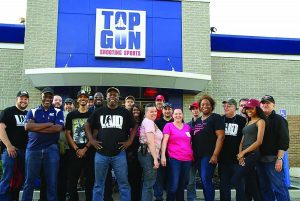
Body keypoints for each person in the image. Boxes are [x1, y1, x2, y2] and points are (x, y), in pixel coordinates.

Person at [85, 87, 137, 201]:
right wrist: (91, 140)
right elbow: (87, 125)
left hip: (119, 154)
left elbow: (135, 126)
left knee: (124, 184)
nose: (112, 96)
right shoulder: (99, 111)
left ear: (118, 98)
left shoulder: (124, 112)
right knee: (98, 184)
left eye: (115, 95)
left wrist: (130, 141)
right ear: (106, 97)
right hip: (101, 154)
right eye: (110, 94)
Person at [21, 87, 64, 201]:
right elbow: (27, 127)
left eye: (50, 97)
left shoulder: (58, 112)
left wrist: (36, 127)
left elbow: (58, 128)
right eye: (46, 96)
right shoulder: (33, 111)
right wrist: (49, 124)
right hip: (33, 149)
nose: (48, 99)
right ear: (41, 96)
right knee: (29, 181)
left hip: (51, 149)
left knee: (52, 181)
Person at [231, 98, 266, 201]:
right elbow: (242, 141)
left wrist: (243, 153)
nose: (249, 110)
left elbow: (259, 141)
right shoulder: (248, 122)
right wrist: (240, 154)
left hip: (253, 154)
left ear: (257, 109)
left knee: (235, 178)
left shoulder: (261, 121)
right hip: (244, 154)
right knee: (251, 182)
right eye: (247, 109)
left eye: (251, 108)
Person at [256, 95, 290, 201]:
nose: (265, 105)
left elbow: (284, 142)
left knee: (279, 187)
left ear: (273, 105)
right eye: (263, 103)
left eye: (268, 103)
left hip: (273, 160)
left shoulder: (280, 120)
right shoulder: (257, 119)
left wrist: (279, 159)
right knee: (265, 187)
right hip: (259, 160)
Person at [191, 95, 224, 201]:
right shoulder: (198, 120)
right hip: (197, 155)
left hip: (209, 155)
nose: (205, 106)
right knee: (203, 180)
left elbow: (221, 136)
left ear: (212, 106)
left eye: (207, 104)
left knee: (206, 179)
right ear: (200, 107)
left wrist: (215, 155)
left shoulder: (216, 118)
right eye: (202, 104)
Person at [0, 90, 29, 201]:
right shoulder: (8, 111)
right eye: (21, 98)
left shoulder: (28, 114)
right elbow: (1, 129)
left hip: (25, 152)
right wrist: (9, 146)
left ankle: (14, 198)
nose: (23, 100)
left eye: (26, 99)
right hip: (9, 151)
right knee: (7, 178)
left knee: (20, 179)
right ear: (17, 99)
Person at [65, 90, 94, 201]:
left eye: (85, 97)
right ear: (77, 100)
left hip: (89, 152)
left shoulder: (92, 114)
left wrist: (85, 149)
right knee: (72, 181)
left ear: (88, 100)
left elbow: (94, 133)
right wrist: (77, 149)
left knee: (90, 181)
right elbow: (68, 133)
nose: (83, 98)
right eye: (80, 97)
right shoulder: (71, 115)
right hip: (74, 153)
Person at [161, 108, 193, 201]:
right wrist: (163, 155)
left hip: (187, 159)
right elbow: (164, 142)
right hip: (175, 159)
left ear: (182, 115)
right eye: (176, 114)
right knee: (174, 184)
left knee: (182, 184)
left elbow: (189, 142)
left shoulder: (187, 127)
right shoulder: (168, 126)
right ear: (172, 115)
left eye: (180, 114)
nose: (178, 115)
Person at [218, 98, 246, 201]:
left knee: (239, 186)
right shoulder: (220, 119)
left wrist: (243, 154)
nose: (226, 108)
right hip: (223, 160)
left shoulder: (242, 120)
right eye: (224, 106)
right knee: (224, 186)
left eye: (228, 106)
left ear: (235, 107)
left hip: (237, 160)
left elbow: (245, 140)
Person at [138, 103, 163, 201]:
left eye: (155, 111)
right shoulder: (148, 122)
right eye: (151, 111)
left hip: (147, 154)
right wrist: (156, 159)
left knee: (148, 182)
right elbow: (150, 142)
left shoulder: (150, 122)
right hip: (149, 155)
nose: (154, 113)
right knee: (149, 183)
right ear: (146, 112)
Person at [153, 102, 173, 201]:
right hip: (160, 154)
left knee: (171, 176)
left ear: (172, 110)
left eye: (169, 109)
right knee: (159, 177)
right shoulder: (157, 122)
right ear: (163, 110)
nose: (167, 110)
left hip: (173, 154)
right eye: (166, 109)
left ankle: (170, 197)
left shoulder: (176, 121)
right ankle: (158, 197)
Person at [127, 104, 143, 201]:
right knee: (130, 179)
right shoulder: (127, 123)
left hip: (141, 153)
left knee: (138, 179)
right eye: (133, 110)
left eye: (137, 110)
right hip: (129, 154)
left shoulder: (143, 123)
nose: (135, 111)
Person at [186, 101, 200, 201]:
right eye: (193, 109)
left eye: (197, 108)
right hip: (191, 157)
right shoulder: (187, 125)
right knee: (191, 181)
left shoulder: (205, 123)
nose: (195, 110)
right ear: (191, 110)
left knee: (205, 180)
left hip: (203, 156)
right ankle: (192, 199)